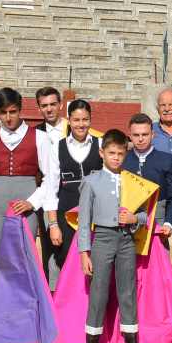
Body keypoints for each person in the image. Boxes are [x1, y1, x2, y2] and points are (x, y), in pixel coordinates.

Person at [76, 129, 147, 343]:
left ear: (126, 154)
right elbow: (83, 220)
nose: (116, 157)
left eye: (120, 153)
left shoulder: (133, 180)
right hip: (103, 239)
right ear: (102, 153)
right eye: (111, 153)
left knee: (127, 292)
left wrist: (134, 218)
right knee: (98, 293)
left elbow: (146, 215)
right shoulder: (91, 181)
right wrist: (84, 252)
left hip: (126, 239)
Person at [0, 88, 59, 262]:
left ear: (20, 109)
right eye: (3, 113)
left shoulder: (40, 137)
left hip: (26, 206)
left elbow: (51, 177)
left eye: (12, 112)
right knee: (0, 260)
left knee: (24, 259)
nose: (8, 118)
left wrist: (32, 202)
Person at [44, 100, 101, 283]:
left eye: (85, 119)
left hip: (96, 214)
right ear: (69, 120)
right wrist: (53, 225)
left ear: (91, 120)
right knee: (67, 262)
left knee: (96, 263)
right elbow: (51, 188)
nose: (81, 124)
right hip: (66, 214)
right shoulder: (56, 147)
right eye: (76, 120)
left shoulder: (101, 145)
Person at [124, 112, 172, 239]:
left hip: (158, 223)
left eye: (145, 134)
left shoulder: (166, 160)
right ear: (130, 136)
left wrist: (169, 223)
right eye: (136, 135)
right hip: (127, 225)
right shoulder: (122, 160)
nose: (140, 139)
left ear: (152, 135)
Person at [35, 86, 68, 282]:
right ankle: (53, 295)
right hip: (47, 196)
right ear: (39, 108)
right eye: (44, 106)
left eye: (52, 104)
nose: (49, 109)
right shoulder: (34, 133)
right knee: (50, 247)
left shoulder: (73, 128)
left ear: (61, 105)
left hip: (72, 195)